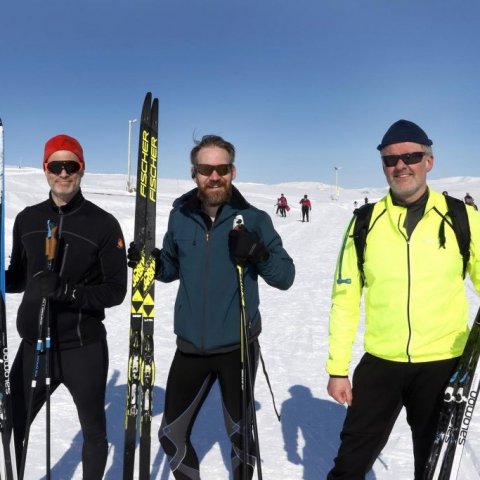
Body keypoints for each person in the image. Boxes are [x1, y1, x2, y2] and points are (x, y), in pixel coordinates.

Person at [127, 134, 295, 479]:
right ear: (195, 173)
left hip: (237, 348)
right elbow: (172, 267)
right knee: (171, 436)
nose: (214, 176)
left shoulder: (255, 218)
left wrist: (258, 253)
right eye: (206, 169)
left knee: (240, 441)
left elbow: (285, 276)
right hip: (190, 347)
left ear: (232, 171)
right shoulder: (180, 216)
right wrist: (151, 263)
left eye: (221, 168)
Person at [326, 119, 480, 479]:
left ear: (429, 160)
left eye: (411, 155)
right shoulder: (364, 223)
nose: (401, 165)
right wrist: (337, 368)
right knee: (350, 463)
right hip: (381, 363)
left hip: (443, 364)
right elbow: (345, 298)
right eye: (390, 159)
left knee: (433, 465)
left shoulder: (462, 217)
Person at [6, 134, 127, 479]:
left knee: (93, 430)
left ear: (81, 169)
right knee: (10, 422)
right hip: (34, 347)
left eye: (70, 165)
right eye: (55, 166)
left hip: (82, 348)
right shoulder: (27, 219)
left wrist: (67, 291)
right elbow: (18, 276)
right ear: (45, 169)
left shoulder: (103, 224)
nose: (63, 173)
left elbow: (115, 291)